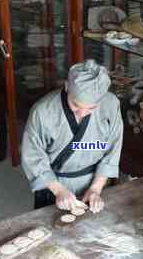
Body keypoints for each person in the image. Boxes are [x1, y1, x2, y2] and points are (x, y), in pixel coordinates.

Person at [22, 59, 124, 212]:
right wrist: (58, 190)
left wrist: (96, 189)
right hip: (56, 183)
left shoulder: (110, 104)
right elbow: (33, 156)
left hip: (97, 180)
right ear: (66, 86)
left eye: (91, 108)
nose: (82, 113)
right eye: (76, 105)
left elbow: (113, 149)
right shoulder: (43, 112)